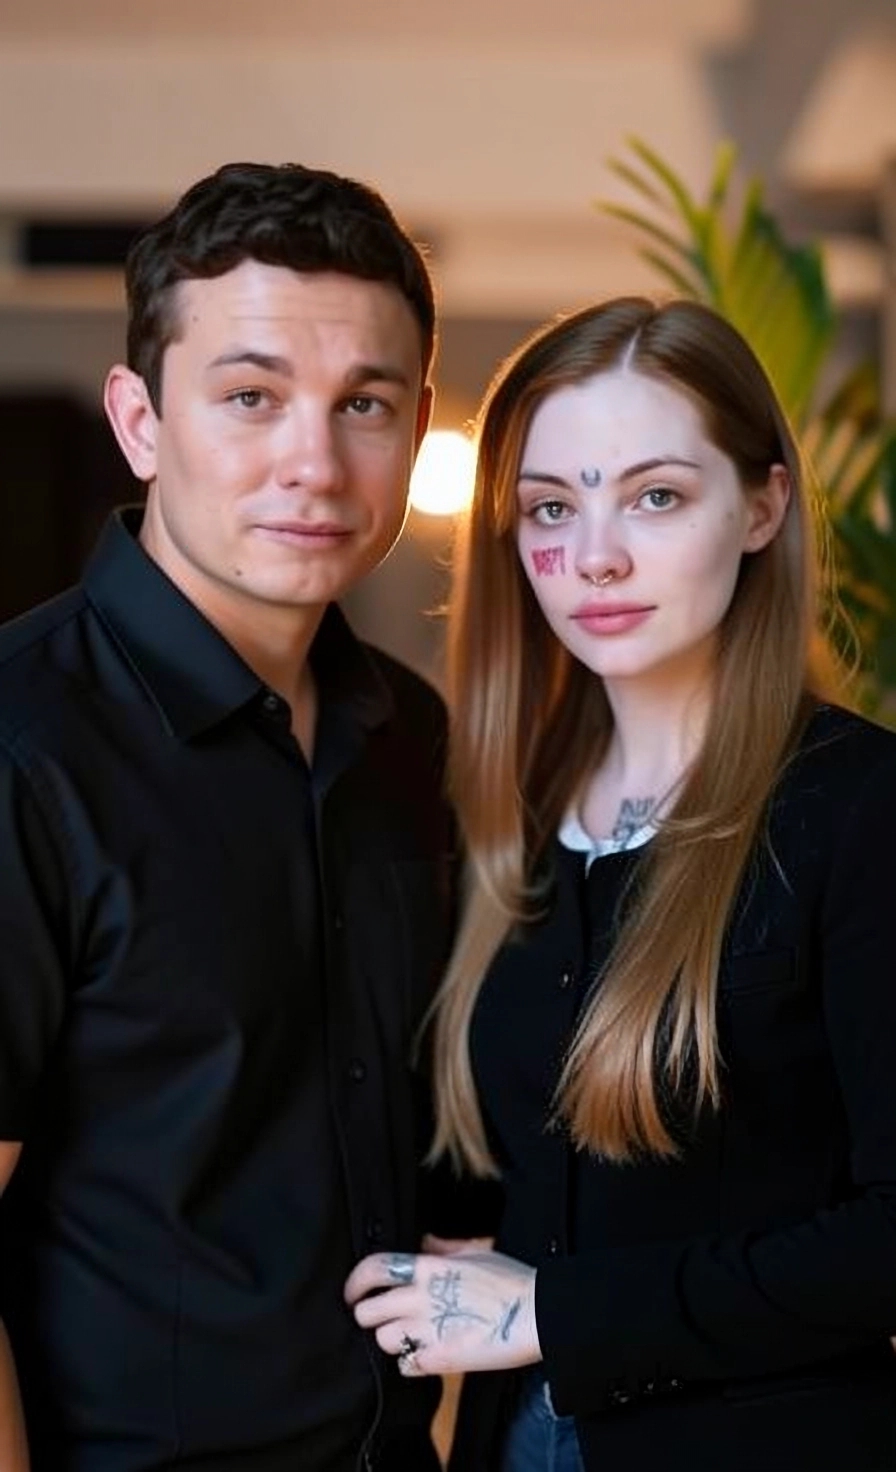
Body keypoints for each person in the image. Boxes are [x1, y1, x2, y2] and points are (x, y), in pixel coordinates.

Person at [345, 297, 896, 1471]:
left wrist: (556, 1311)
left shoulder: (858, 809)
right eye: (552, 506)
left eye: (654, 496)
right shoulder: (501, 822)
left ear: (760, 506)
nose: (594, 553)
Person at [0, 160, 455, 1472]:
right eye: (251, 396)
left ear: (416, 425)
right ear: (140, 422)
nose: (313, 463)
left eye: (363, 404)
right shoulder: (21, 746)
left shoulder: (414, 737)